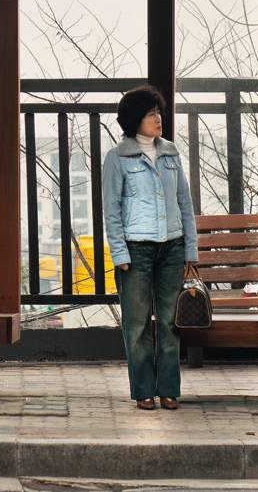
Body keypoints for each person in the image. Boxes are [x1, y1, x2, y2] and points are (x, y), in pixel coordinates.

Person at [102, 84, 198, 411]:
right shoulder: (118, 157)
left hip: (171, 248)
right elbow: (111, 210)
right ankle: (144, 390)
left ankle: (169, 389)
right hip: (135, 251)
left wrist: (190, 251)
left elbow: (184, 203)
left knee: (170, 324)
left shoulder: (171, 151)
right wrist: (119, 252)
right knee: (137, 325)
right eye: (150, 114)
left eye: (158, 112)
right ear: (134, 120)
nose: (158, 118)